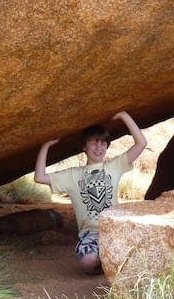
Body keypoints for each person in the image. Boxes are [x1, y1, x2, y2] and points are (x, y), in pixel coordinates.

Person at [34, 111, 147, 274]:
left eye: (103, 143)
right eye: (94, 143)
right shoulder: (73, 175)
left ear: (107, 146)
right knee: (87, 261)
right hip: (91, 232)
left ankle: (110, 261)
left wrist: (124, 116)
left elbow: (141, 143)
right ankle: (103, 264)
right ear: (84, 147)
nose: (99, 148)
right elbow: (39, 177)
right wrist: (46, 146)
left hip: (115, 228)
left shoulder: (114, 167)